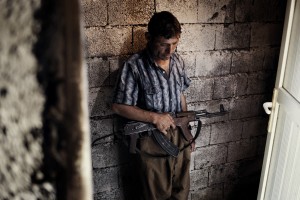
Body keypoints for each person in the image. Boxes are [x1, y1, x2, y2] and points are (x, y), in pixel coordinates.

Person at [112, 11, 194, 200]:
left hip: (180, 136)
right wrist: (154, 117)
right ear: (148, 38)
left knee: (181, 191)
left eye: (174, 44)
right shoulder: (134, 66)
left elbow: (180, 95)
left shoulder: (178, 61)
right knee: (155, 194)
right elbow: (118, 106)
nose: (169, 51)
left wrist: (187, 131)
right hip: (151, 139)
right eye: (163, 45)